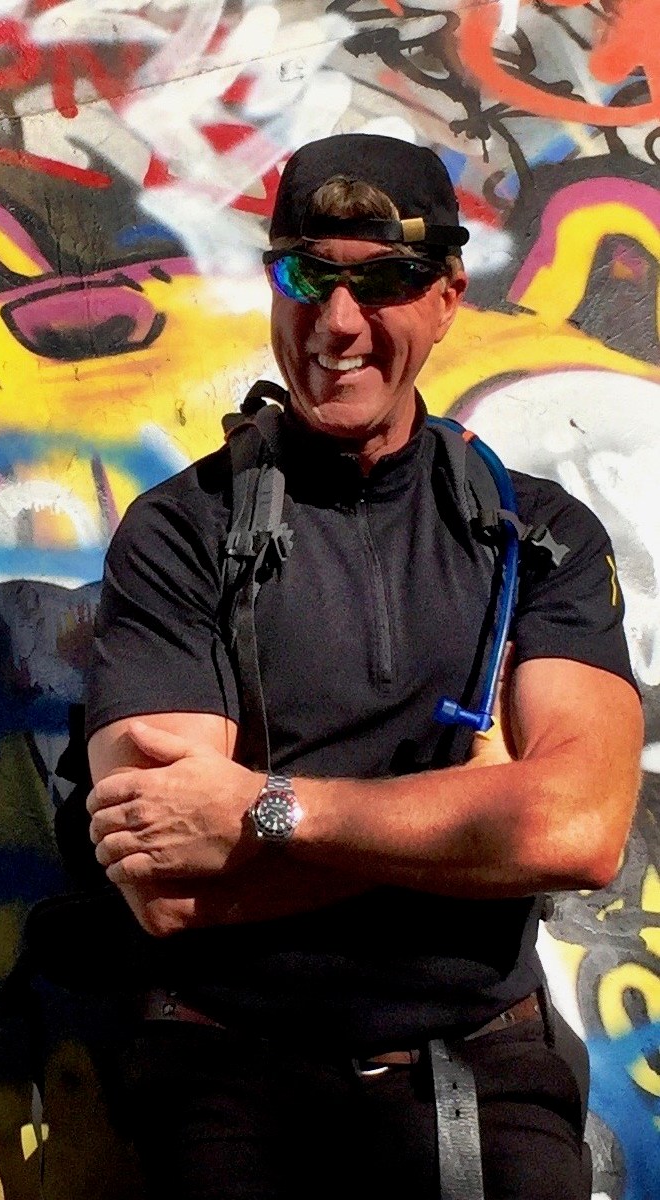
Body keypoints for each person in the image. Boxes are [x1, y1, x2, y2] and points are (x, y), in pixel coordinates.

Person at [81, 134, 643, 1200]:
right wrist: (478, 817)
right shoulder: (182, 534)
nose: (339, 323)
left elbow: (577, 831)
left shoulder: (538, 536)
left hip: (482, 1072)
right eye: (309, 276)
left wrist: (263, 808)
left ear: (446, 297)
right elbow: (170, 890)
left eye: (383, 281)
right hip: (230, 1074)